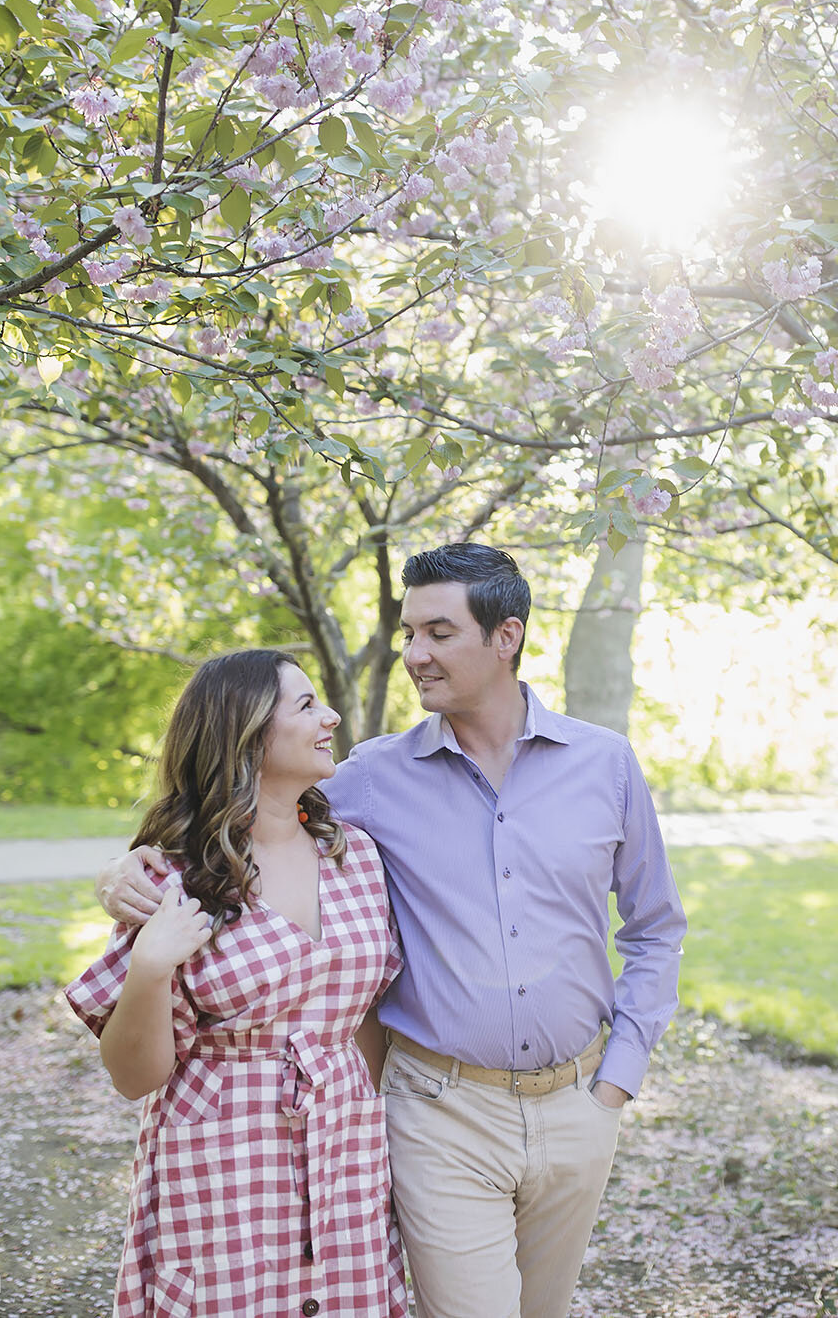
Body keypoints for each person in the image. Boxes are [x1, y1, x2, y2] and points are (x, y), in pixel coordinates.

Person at [98, 542, 687, 1318]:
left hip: (580, 1102)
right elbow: (234, 804)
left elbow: (654, 928)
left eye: (438, 633)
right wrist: (124, 870)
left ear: (504, 636)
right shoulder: (370, 777)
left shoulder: (606, 764)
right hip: (439, 1109)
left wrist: (616, 1078)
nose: (414, 655)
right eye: (409, 633)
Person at [65, 649, 406, 1318]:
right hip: (221, 1161)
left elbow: (362, 1016)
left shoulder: (355, 855)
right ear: (246, 732)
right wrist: (149, 967)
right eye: (306, 705)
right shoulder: (173, 876)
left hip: (345, 1151)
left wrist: (361, 1118)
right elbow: (135, 1077)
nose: (330, 715)